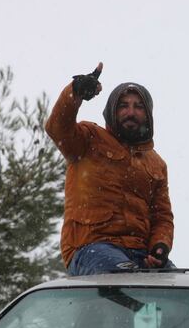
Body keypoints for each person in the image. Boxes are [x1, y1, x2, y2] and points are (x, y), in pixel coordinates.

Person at [45, 63, 174, 275]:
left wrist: (160, 247)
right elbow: (57, 128)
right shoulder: (89, 138)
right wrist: (75, 92)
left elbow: (162, 216)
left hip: (141, 254)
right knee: (124, 278)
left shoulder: (156, 164)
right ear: (112, 110)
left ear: (148, 114)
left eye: (138, 106)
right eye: (123, 105)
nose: (130, 112)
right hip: (90, 247)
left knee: (182, 289)